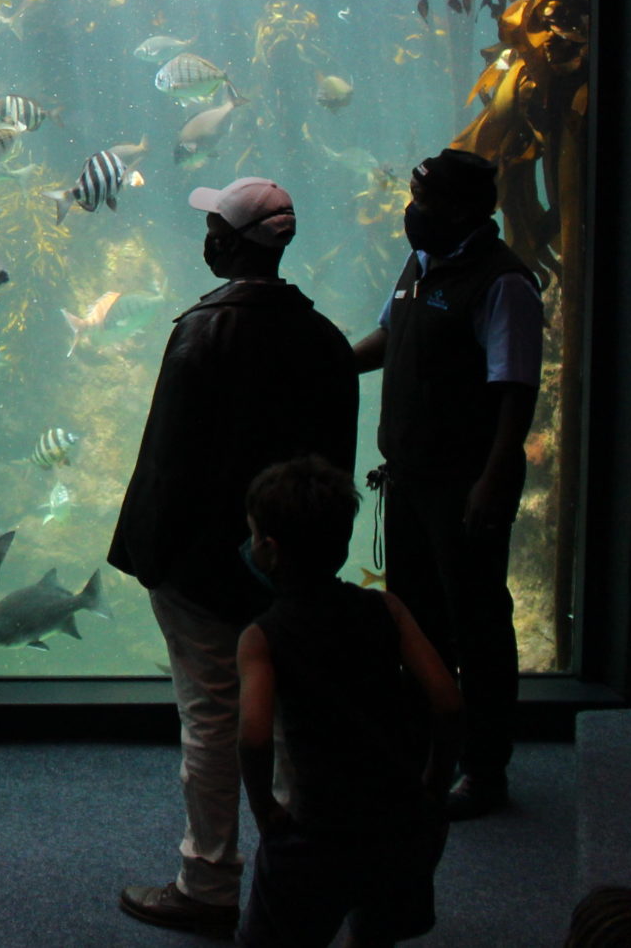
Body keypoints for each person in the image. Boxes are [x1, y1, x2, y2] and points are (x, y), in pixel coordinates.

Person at [112, 179, 360, 938]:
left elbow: (168, 466)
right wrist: (310, 562)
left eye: (215, 223)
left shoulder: (200, 332)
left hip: (198, 573)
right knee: (293, 718)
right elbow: (333, 466)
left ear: (230, 243)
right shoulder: (323, 339)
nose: (208, 232)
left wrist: (152, 561)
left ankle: (210, 878)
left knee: (212, 718)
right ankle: (305, 872)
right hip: (292, 571)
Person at [352, 148, 542, 820]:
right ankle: (423, 753)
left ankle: (485, 770)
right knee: (416, 621)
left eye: (425, 201)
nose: (414, 212)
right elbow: (388, 336)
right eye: (414, 196)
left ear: (466, 209)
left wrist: (493, 479)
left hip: (463, 483)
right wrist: (330, 362)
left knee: (478, 624)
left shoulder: (502, 282)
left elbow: (516, 387)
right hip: (410, 478)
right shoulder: (420, 264)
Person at [235, 455, 460, 948]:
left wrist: (265, 810)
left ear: (269, 549)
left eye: (253, 535)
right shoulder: (387, 607)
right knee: (378, 934)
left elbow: (253, 735)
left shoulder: (261, 637)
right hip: (399, 824)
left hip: (317, 832)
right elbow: (446, 701)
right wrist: (433, 789)